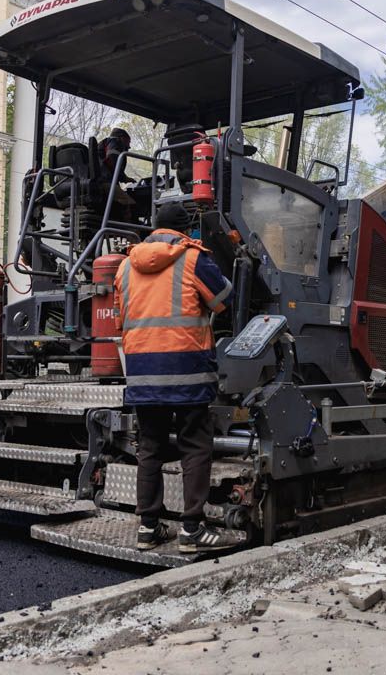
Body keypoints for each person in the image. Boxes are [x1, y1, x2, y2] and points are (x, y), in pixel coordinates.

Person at [114, 202, 240, 554]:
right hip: (187, 371)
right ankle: (191, 530)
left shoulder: (125, 266)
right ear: (185, 230)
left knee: (150, 448)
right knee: (195, 446)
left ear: (154, 229)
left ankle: (148, 527)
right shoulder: (192, 258)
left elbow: (120, 319)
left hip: (142, 372)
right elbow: (223, 299)